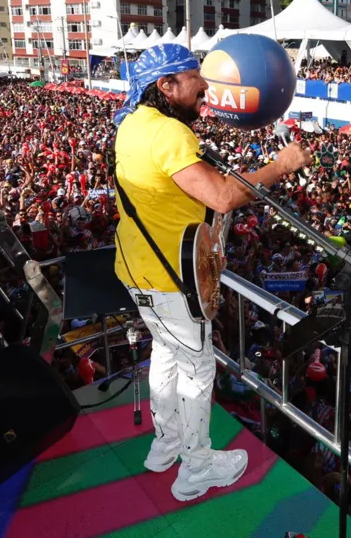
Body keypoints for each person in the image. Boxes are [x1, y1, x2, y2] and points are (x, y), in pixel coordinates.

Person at [112, 43, 311, 502]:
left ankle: (166, 445)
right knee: (197, 367)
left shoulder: (132, 125)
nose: (206, 85)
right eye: (194, 76)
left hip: (137, 269)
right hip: (171, 279)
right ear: (166, 85)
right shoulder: (168, 135)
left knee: (164, 356)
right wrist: (280, 166)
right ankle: (196, 466)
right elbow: (221, 196)